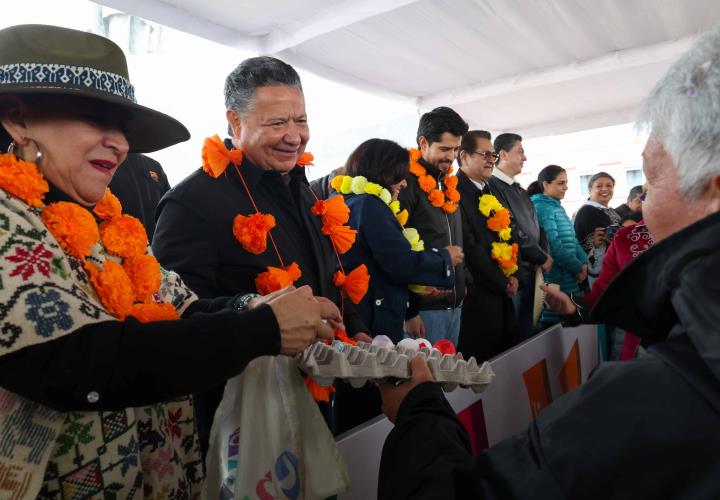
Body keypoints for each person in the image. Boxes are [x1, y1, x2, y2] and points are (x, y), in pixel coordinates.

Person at [377, 25, 720, 499]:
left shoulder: (662, 392)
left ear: (713, 189)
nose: (640, 204)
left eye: (652, 178)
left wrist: (419, 411)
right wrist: (576, 308)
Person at [0, 24, 335, 499]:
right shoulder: (7, 217)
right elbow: (77, 361)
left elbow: (182, 307)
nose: (119, 144)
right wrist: (263, 330)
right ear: (17, 118)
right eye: (98, 120)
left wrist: (255, 307)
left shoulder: (100, 225)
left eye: (123, 129)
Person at [152, 56, 369, 450]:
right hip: (246, 419)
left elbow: (323, 273)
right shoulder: (191, 203)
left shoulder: (301, 189)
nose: (294, 136)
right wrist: (259, 315)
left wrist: (354, 327)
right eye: (277, 123)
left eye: (300, 120)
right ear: (235, 122)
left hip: (315, 393)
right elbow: (178, 317)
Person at [334, 139, 460, 342]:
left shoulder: (351, 200)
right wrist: (444, 258)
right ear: (384, 171)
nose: (404, 183)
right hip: (372, 318)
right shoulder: (369, 205)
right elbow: (400, 262)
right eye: (399, 176)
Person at [397, 107, 468, 345]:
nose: (451, 156)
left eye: (456, 149)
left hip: (454, 305)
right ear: (423, 142)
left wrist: (462, 282)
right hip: (424, 312)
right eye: (445, 149)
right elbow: (397, 251)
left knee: (446, 380)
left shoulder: (447, 184)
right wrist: (410, 310)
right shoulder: (405, 184)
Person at [456, 130, 519, 361]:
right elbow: (470, 247)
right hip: (478, 295)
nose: (492, 160)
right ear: (464, 157)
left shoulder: (491, 188)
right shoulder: (455, 192)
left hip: (503, 290)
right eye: (485, 154)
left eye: (493, 154)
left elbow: (508, 232)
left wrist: (514, 273)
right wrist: (502, 282)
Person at [488, 133, 552, 341]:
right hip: (516, 272)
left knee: (529, 332)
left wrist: (543, 254)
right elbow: (511, 227)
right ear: (504, 155)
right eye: (521, 152)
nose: (525, 158)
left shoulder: (518, 188)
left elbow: (537, 226)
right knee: (517, 338)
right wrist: (540, 256)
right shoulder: (492, 186)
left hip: (532, 269)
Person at [528, 165, 588, 328]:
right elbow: (553, 246)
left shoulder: (557, 207)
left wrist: (584, 264)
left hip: (569, 275)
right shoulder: (541, 207)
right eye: (561, 183)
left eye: (566, 183)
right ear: (546, 185)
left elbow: (573, 240)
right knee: (554, 326)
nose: (566, 187)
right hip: (556, 277)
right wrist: (577, 267)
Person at [573, 172, 622, 285]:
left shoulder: (608, 210)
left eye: (609, 186)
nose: (605, 189)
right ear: (590, 190)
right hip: (597, 273)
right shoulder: (587, 211)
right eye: (599, 186)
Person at [108, 153, 170, 240]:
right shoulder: (105, 163)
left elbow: (168, 209)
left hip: (156, 246)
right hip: (116, 244)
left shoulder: (154, 165)